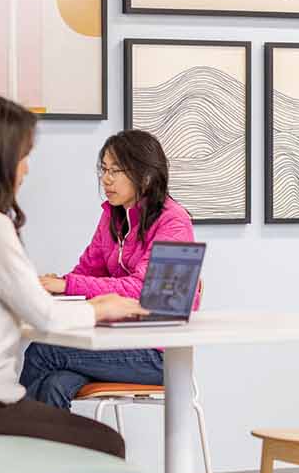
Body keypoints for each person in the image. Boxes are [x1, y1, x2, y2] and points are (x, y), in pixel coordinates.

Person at [0, 97, 143, 456]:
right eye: (23, 157)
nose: (25, 170)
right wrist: (101, 308)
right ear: (0, 158)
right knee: (107, 444)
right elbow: (44, 316)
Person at [20, 130, 196, 410]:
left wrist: (67, 285)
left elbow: (145, 291)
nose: (106, 179)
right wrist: (54, 287)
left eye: (116, 170)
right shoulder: (113, 217)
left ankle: (10, 432)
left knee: (43, 351)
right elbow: (88, 271)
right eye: (104, 169)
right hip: (119, 342)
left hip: (160, 354)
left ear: (145, 175)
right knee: (55, 384)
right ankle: (50, 440)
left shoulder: (175, 223)